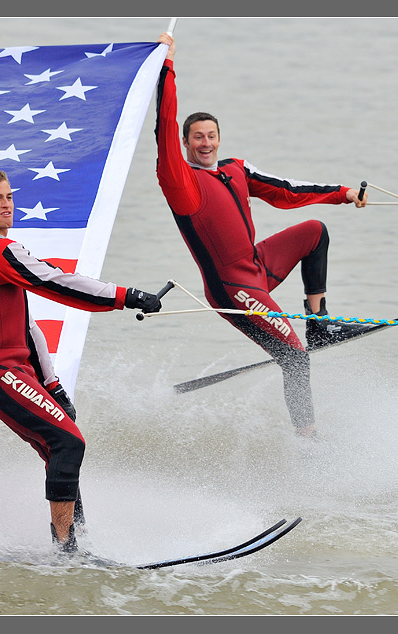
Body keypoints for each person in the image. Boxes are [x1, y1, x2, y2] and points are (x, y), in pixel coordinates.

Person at [154, 32, 369, 437]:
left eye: (211, 135)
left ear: (220, 138)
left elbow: (287, 189)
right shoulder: (179, 180)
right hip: (234, 287)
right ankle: (309, 441)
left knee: (314, 232)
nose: (205, 142)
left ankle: (318, 321)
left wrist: (343, 194)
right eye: (197, 137)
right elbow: (164, 124)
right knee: (295, 358)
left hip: (258, 266)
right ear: (184, 143)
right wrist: (167, 66)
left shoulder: (235, 169)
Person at [0, 170, 163, 554]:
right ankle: (65, 552)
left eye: (9, 197)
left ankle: (75, 543)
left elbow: (27, 326)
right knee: (68, 442)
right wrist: (127, 296)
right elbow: (58, 283)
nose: (6, 205)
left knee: (60, 446)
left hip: (6, 371)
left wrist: (51, 384)